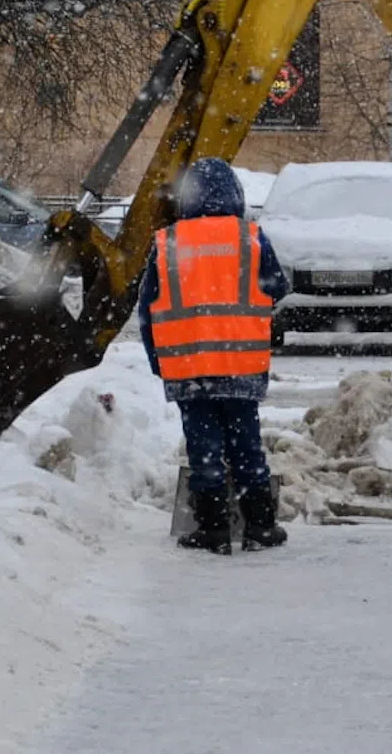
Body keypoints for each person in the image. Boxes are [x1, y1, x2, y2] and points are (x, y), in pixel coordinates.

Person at [137, 157, 291, 555]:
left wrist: (159, 362)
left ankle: (213, 529)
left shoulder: (167, 243)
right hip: (242, 366)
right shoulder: (251, 239)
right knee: (246, 447)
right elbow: (277, 287)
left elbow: (147, 310)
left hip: (189, 369)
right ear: (236, 195)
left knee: (203, 449)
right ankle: (260, 525)